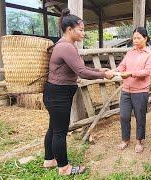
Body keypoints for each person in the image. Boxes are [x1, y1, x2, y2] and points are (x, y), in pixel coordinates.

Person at [42, 8, 112, 175]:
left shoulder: (65, 45)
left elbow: (79, 68)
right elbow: (82, 72)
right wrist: (103, 74)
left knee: (54, 128)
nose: (83, 33)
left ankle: (49, 160)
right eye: (81, 30)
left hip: (55, 93)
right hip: (58, 95)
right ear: (69, 29)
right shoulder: (66, 47)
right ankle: (64, 168)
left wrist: (99, 70)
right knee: (60, 131)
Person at [108, 27, 151, 153]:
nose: (135, 40)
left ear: (145, 38)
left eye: (138, 38)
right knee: (124, 116)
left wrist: (130, 73)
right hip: (126, 90)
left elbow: (147, 72)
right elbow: (122, 66)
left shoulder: (150, 55)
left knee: (140, 117)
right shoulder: (130, 53)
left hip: (140, 91)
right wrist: (116, 71)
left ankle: (139, 141)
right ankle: (125, 140)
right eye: (134, 38)